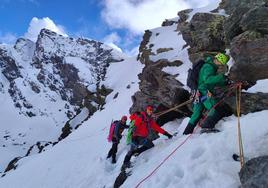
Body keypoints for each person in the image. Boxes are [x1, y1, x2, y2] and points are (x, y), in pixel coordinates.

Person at [183, 53, 230, 135]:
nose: (220, 65)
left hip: (198, 92)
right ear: (217, 60)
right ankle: (207, 127)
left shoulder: (209, 66)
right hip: (204, 91)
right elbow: (208, 80)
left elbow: (211, 82)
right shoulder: (209, 67)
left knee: (196, 113)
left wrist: (225, 82)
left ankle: (186, 133)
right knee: (214, 108)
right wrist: (222, 77)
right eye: (221, 63)